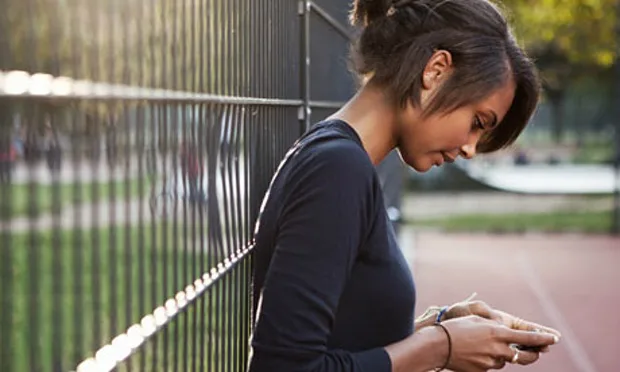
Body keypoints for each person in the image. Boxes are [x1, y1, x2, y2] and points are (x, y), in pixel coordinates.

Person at [247, 0, 562, 371]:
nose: (470, 149)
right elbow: (284, 366)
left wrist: (440, 326)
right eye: (478, 121)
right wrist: (439, 346)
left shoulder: (336, 158)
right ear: (436, 70)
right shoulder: (339, 169)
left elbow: (340, 340)